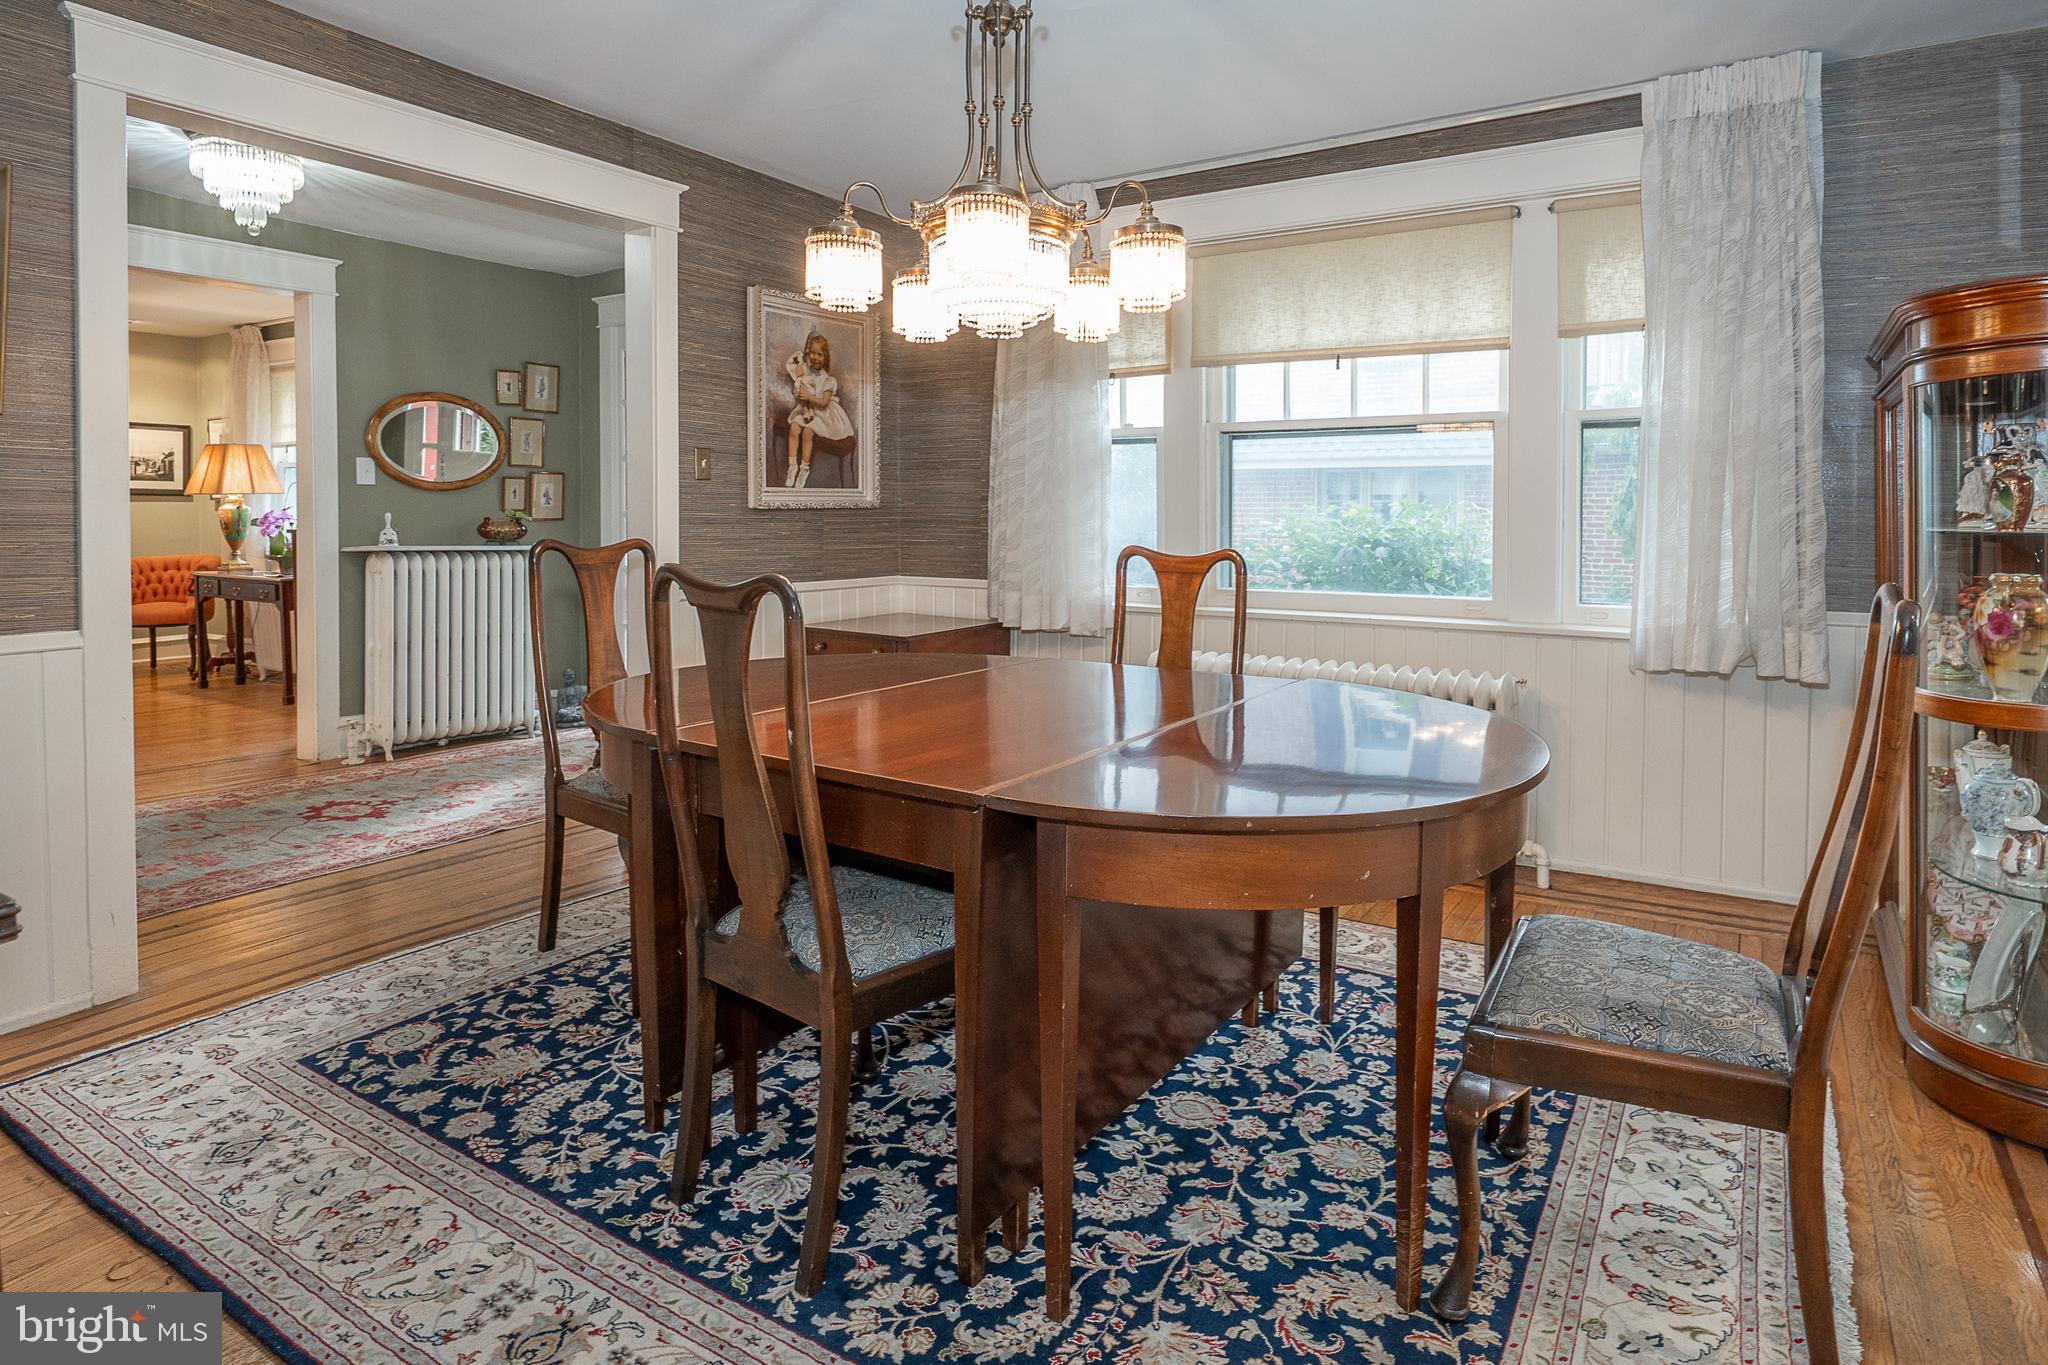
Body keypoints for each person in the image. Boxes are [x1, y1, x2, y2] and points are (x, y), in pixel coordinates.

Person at [783, 330, 854, 488]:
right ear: (808, 354)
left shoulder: (828, 380)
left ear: (825, 357)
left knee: (808, 432)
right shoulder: (806, 373)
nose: (815, 357)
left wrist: (808, 396)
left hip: (824, 414)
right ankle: (792, 466)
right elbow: (799, 389)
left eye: (819, 354)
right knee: (794, 428)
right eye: (812, 353)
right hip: (807, 410)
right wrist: (799, 388)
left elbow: (823, 403)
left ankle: (804, 469)